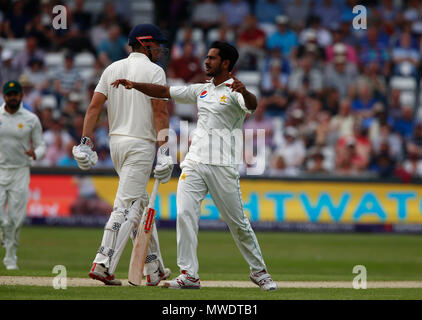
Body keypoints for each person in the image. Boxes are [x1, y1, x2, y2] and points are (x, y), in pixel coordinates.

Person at [111, 41, 277, 291]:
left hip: (223, 166)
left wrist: (245, 92)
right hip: (194, 163)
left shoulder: (235, 90)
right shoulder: (201, 90)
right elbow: (164, 91)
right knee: (186, 215)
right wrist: (135, 85)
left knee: (238, 223)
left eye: (212, 58)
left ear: (226, 63)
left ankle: (259, 271)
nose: (206, 61)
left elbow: (251, 106)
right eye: (207, 57)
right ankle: (189, 274)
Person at [72, 24, 174, 286]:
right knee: (126, 207)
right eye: (157, 44)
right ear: (145, 43)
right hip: (140, 144)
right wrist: (165, 151)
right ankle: (103, 262)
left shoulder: (112, 68)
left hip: (117, 144)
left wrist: (85, 143)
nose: (161, 49)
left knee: (138, 207)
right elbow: (160, 113)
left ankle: (154, 269)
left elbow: (94, 108)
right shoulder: (155, 72)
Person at [0, 80, 46, 270]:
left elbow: (41, 145)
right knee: (3, 219)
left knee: (16, 219)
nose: (12, 97)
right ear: (4, 96)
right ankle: (4, 232)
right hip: (0, 169)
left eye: (15, 94)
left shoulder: (31, 119)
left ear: (21, 96)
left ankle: (11, 258)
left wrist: (36, 154)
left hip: (20, 171)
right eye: (9, 94)